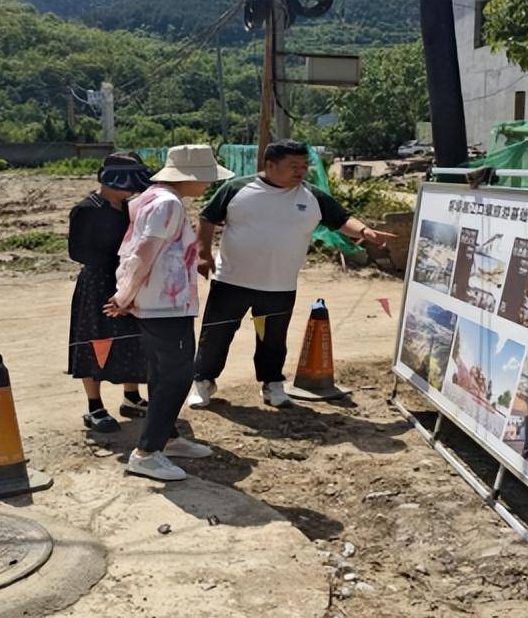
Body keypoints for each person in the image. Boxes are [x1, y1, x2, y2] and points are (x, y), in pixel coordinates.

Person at [189, 139, 394, 408]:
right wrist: (203, 253)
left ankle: (272, 384)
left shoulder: (312, 196)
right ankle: (203, 382)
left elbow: (342, 220)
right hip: (231, 280)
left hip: (279, 285)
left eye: (304, 166)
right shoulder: (237, 188)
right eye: (293, 166)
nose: (301, 171)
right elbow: (207, 217)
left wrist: (365, 231)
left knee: (273, 339)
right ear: (270, 165)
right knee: (216, 335)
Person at [105, 144, 234, 482]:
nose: (208, 185)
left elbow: (136, 251)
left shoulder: (152, 197)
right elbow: (143, 254)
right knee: (175, 377)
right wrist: (123, 295)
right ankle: (147, 452)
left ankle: (169, 437)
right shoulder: (167, 204)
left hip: (159, 301)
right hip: (164, 303)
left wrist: (127, 294)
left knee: (162, 373)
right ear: (188, 178)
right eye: (205, 178)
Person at [67, 153, 153, 432]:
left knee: (133, 338)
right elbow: (77, 251)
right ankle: (95, 406)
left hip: (126, 280)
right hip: (98, 284)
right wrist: (119, 261)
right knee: (96, 341)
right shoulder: (86, 209)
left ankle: (131, 396)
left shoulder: (131, 208)